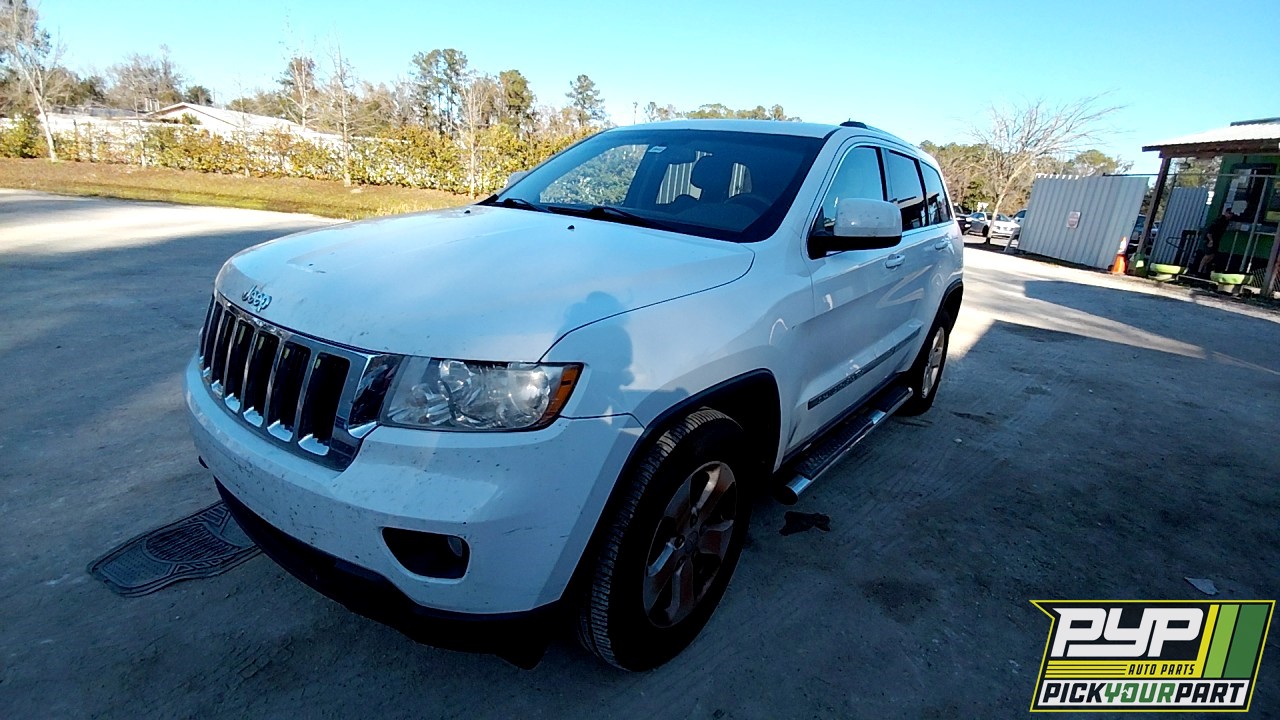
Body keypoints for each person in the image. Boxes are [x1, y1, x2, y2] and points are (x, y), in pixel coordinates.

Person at [1196, 208, 1238, 276]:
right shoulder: (1219, 221)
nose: (1230, 215)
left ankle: (1204, 269)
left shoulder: (1226, 221)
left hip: (1216, 239)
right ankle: (1199, 270)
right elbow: (1209, 232)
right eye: (1229, 213)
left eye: (1231, 214)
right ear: (1225, 213)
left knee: (1212, 255)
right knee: (1208, 255)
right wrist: (1210, 240)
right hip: (1210, 239)